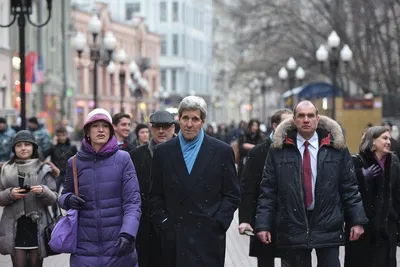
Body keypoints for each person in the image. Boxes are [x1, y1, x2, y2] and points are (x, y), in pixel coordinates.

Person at [255, 100, 368, 267]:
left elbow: (349, 187)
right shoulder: (279, 150)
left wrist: (357, 220)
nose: (306, 120)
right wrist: (263, 225)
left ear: (318, 119)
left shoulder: (336, 149)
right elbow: (268, 190)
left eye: (310, 115)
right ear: (294, 120)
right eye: (301, 116)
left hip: (328, 223)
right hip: (293, 224)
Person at [149, 96, 240, 267]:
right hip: (173, 239)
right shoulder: (162, 152)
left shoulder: (221, 151)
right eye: (185, 118)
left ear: (203, 121)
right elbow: (155, 195)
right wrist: (164, 223)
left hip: (208, 239)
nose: (189, 124)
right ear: (179, 120)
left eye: (195, 119)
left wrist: (218, 223)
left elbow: (232, 194)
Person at [58, 108, 142, 267]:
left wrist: (128, 233)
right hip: (84, 246)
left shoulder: (123, 159)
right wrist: (68, 199)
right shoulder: (74, 162)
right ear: (87, 132)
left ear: (111, 131)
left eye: (105, 126)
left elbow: (133, 202)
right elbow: (63, 196)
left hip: (118, 245)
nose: (101, 130)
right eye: (95, 125)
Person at [239, 109, 292, 267]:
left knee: (291, 260)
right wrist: (246, 220)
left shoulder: (296, 149)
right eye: (287, 123)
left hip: (290, 219)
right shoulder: (258, 152)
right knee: (265, 261)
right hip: (264, 218)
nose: (292, 127)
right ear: (275, 126)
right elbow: (247, 188)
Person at [0, 130, 58, 267]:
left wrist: (44, 191)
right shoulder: (5, 169)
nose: (23, 148)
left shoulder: (44, 169)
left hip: (38, 226)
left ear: (33, 147)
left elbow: (54, 198)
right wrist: (9, 194)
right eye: (19, 145)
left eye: (27, 144)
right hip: (14, 228)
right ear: (14, 148)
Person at [345, 126, 400, 267]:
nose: (389, 141)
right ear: (373, 141)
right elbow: (346, 189)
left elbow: (397, 194)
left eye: (389, 138)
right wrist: (361, 176)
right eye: (384, 138)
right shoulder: (357, 161)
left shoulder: (393, 162)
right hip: (363, 226)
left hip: (387, 226)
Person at [129, 110, 176, 267]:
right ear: (151, 128)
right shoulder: (136, 155)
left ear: (173, 128)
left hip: (177, 227)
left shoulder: (186, 153)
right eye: (157, 127)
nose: (161, 131)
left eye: (166, 127)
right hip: (145, 228)